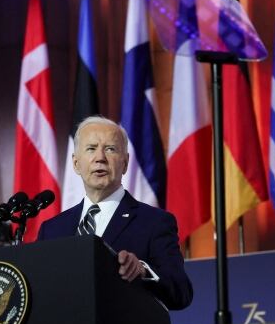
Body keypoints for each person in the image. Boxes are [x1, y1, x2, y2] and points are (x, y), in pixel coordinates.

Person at [37, 116, 193, 310]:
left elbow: (180, 292)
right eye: (91, 148)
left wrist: (143, 271)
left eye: (110, 149)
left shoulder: (154, 222)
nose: (100, 158)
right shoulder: (52, 230)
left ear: (125, 163)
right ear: (76, 164)